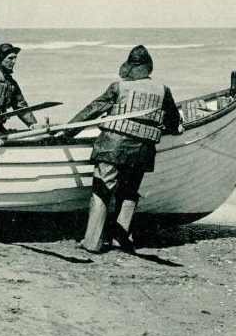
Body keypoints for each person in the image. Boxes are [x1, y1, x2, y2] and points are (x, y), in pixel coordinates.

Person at [64, 45, 182, 253]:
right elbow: (173, 121)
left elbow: (92, 110)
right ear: (148, 68)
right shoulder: (163, 90)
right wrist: (176, 128)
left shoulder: (118, 87)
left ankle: (92, 242)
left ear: (130, 68)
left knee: (102, 192)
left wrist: (66, 133)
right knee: (129, 193)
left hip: (112, 147)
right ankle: (120, 240)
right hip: (142, 152)